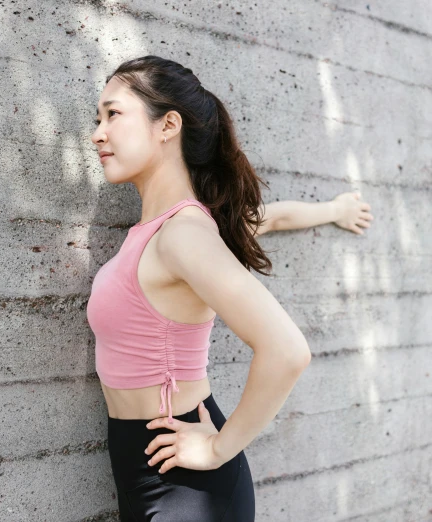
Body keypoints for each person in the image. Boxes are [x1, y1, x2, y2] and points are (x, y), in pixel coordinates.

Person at [86, 55, 371, 521]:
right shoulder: (160, 232)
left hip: (185, 480)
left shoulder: (185, 235)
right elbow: (271, 218)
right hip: (141, 462)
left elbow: (286, 350)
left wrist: (219, 447)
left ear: (168, 125)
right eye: (97, 118)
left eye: (113, 114)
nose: (98, 132)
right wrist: (333, 210)